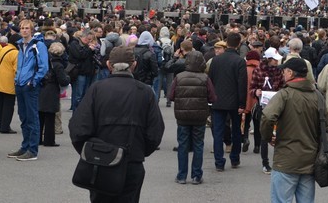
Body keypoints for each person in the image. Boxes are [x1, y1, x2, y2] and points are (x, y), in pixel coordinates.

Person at [69, 46, 164, 203]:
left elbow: (78, 128)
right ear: (134, 65)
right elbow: (155, 132)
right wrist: (138, 152)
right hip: (131, 161)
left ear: (109, 65)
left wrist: (90, 151)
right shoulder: (144, 92)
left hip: (100, 160)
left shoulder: (97, 89)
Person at [261, 57, 324, 203]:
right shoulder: (318, 96)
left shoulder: (284, 95)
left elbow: (268, 117)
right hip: (309, 159)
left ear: (290, 73)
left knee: (281, 200)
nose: (283, 74)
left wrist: (268, 137)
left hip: (286, 159)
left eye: (284, 71)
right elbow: (325, 127)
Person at [169, 50, 216, 184]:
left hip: (182, 116)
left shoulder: (179, 77)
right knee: (198, 145)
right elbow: (212, 97)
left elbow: (171, 96)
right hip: (200, 116)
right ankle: (196, 175)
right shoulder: (205, 78)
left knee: (183, 145)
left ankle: (182, 175)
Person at [8, 19, 49, 162]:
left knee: (32, 118)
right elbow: (20, 65)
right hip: (20, 84)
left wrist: (33, 81)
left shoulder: (39, 45)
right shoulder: (21, 45)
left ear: (31, 30)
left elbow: (44, 67)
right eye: (22, 28)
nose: (24, 30)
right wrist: (16, 80)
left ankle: (32, 150)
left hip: (30, 85)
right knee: (23, 117)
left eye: (27, 28)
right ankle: (25, 147)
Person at [207, 31, 247, 171]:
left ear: (226, 43)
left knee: (218, 132)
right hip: (234, 101)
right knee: (236, 130)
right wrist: (242, 104)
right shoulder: (240, 61)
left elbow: (210, 80)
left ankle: (219, 162)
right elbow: (242, 84)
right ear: (238, 44)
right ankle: (234, 158)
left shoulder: (216, 60)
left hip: (217, 100)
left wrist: (210, 99)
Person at [250, 47, 285, 173]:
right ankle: (265, 163)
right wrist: (256, 91)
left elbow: (283, 85)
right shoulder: (258, 70)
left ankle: (279, 161)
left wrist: (282, 92)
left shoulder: (279, 71)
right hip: (262, 105)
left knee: (279, 134)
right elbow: (252, 88)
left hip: (277, 104)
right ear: (269, 59)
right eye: (275, 60)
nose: (277, 62)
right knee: (265, 134)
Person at [38, 42, 70, 147]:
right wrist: (68, 78)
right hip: (52, 90)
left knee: (40, 116)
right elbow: (63, 81)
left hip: (42, 88)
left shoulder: (45, 61)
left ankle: (37, 139)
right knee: (50, 117)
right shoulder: (58, 65)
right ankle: (49, 140)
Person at [0, 36, 18, 134]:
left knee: (1, 105)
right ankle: (5, 127)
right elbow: (16, 69)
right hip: (9, 82)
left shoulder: (4, 49)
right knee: (9, 105)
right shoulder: (15, 53)